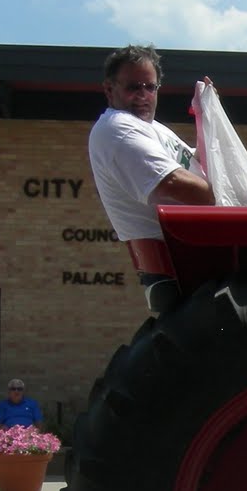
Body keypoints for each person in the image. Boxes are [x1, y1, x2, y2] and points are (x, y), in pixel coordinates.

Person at [87, 44, 214, 307]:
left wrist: (210, 115)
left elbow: (194, 160)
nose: (143, 95)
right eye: (133, 87)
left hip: (193, 252)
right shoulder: (120, 129)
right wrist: (235, 194)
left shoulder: (152, 128)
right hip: (179, 259)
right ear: (109, 89)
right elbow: (177, 184)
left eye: (150, 87)